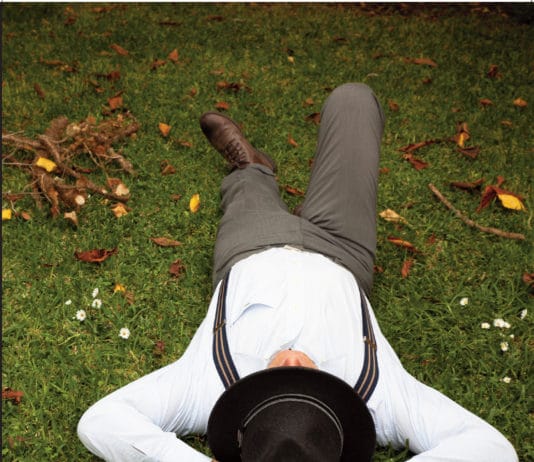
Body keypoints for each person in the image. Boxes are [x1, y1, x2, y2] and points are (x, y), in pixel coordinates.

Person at [77, 83, 518, 462]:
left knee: (248, 185)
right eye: (311, 382)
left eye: (271, 382)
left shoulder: (201, 389)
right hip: (343, 247)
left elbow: (101, 421)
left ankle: (253, 167)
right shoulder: (385, 401)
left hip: (251, 244)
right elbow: (492, 449)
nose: (290, 360)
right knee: (353, 100)